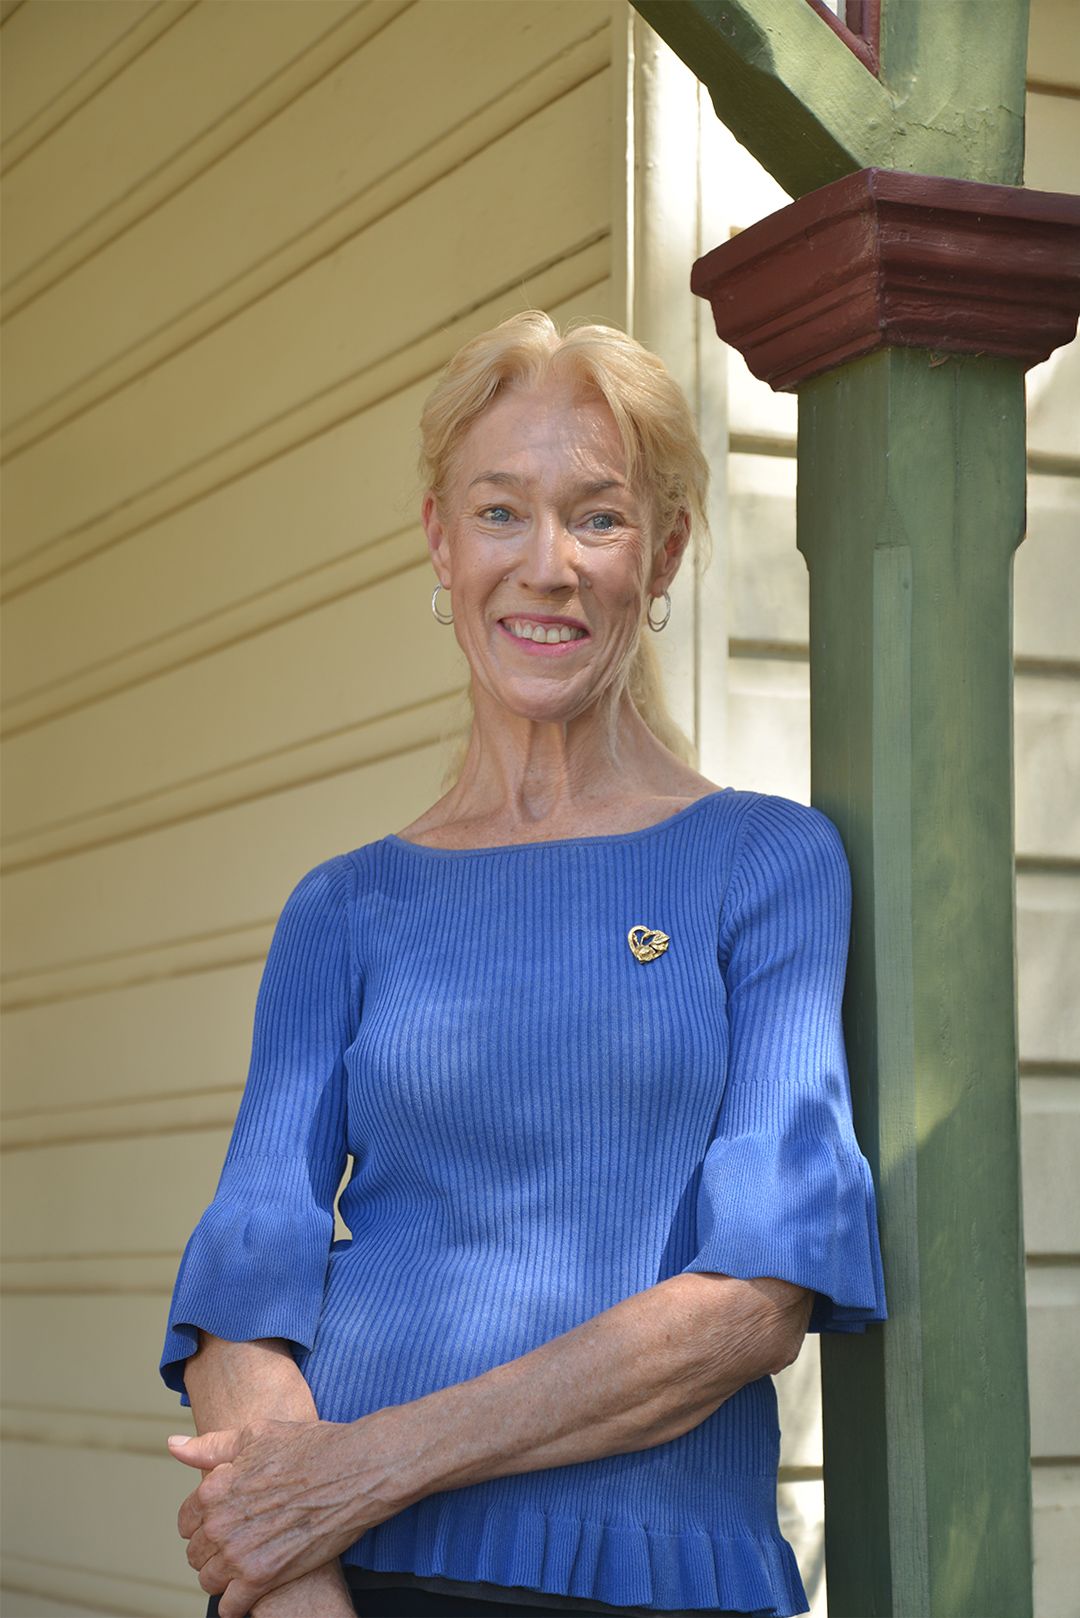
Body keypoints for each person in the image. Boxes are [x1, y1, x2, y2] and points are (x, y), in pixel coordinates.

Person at [159, 311, 887, 1618]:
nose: (544, 565)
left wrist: (354, 1471)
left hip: (650, 1579)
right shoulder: (343, 909)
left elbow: (754, 1300)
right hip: (344, 1582)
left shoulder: (768, 866)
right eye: (502, 513)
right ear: (442, 539)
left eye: (596, 518)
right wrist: (297, 1572)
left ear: (662, 551)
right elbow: (241, 1290)